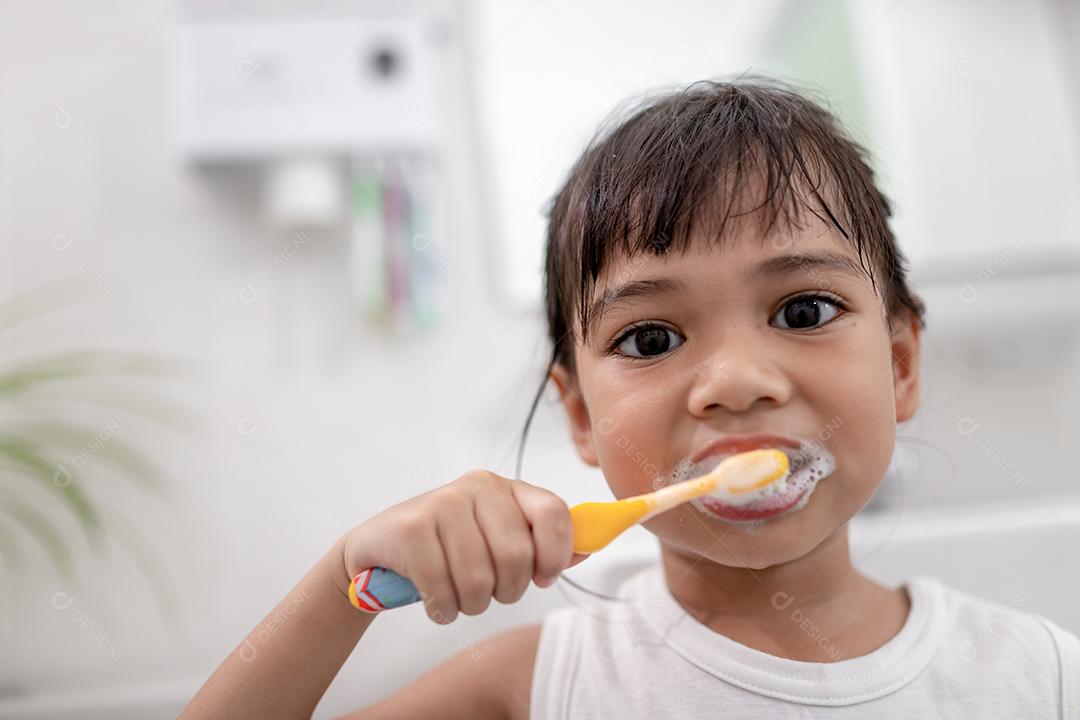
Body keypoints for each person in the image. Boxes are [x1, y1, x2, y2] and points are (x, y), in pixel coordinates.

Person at [180, 78, 1080, 719]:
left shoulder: (1040, 679)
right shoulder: (535, 691)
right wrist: (341, 586)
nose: (734, 383)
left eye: (803, 310)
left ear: (901, 366)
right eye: (650, 339)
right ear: (578, 415)